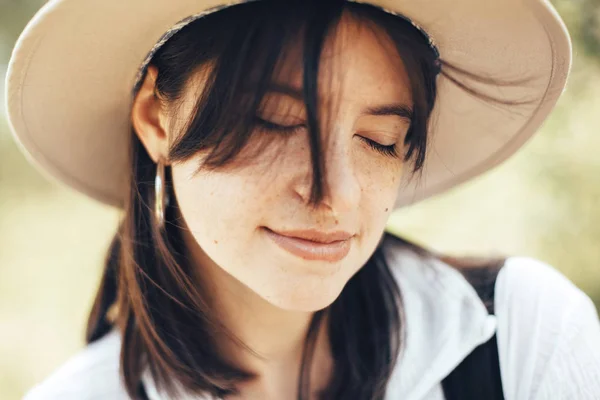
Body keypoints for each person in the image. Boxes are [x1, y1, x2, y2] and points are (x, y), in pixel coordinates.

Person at [6, 0, 600, 399]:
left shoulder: (519, 336)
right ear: (157, 122)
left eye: (379, 140)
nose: (334, 193)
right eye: (274, 123)